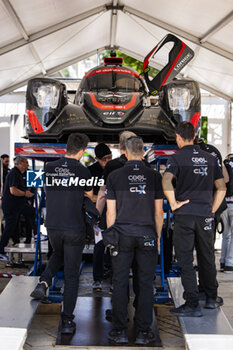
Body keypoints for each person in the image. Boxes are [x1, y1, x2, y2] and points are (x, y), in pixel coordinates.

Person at [30, 133, 93, 335]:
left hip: (53, 225)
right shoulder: (83, 172)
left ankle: (44, 281)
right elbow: (89, 195)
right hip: (74, 226)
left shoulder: (49, 168)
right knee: (72, 275)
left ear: (66, 147)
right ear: (83, 151)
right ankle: (67, 320)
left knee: (58, 253)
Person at [162, 122, 226, 317]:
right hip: (205, 215)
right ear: (196, 135)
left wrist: (173, 204)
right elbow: (222, 186)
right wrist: (212, 210)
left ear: (179, 137)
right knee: (207, 256)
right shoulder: (209, 158)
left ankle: (191, 303)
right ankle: (210, 298)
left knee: (186, 259)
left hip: (185, 215)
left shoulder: (177, 158)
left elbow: (166, 180)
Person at [106, 136, 164, 345]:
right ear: (143, 151)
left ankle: (120, 330)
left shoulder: (114, 176)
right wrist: (157, 237)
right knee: (145, 283)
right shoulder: (154, 176)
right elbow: (159, 213)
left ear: (125, 152)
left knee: (120, 281)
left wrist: (111, 236)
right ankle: (143, 332)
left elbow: (110, 213)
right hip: (147, 234)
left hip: (121, 235)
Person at [0, 157, 34, 261]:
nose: (27, 165)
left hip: (18, 204)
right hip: (11, 205)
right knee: (10, 227)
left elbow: (20, 188)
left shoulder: (20, 173)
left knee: (31, 213)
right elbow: (13, 190)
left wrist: (27, 190)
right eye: (26, 163)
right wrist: (25, 193)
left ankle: (32, 236)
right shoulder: (14, 173)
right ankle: (1, 250)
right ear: (20, 164)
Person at [88, 143, 112, 291]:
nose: (108, 161)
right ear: (97, 159)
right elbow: (86, 194)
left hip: (114, 212)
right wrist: (98, 198)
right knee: (99, 246)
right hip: (98, 214)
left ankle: (110, 272)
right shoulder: (90, 171)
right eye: (104, 159)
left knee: (114, 245)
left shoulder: (115, 168)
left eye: (110, 157)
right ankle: (97, 278)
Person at [220, 154, 233, 273]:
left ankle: (223, 261)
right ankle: (230, 263)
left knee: (226, 235)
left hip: (224, 203)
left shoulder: (225, 166)